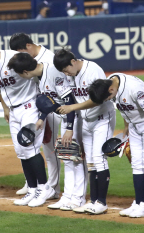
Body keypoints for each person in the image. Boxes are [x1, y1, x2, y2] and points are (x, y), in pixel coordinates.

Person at [58, 72, 144, 218]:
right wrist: (126, 126)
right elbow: (124, 108)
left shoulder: (134, 88)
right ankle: (138, 203)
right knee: (137, 164)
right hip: (134, 126)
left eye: (107, 98)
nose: (108, 100)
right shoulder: (110, 83)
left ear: (111, 90)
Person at [0, 47, 55, 207]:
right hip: (13, 111)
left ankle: (43, 189)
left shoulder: (13, 59)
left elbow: (36, 72)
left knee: (30, 148)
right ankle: (31, 189)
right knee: (21, 152)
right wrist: (5, 108)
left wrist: (42, 110)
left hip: (30, 106)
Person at [7, 51, 87, 211]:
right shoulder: (40, 75)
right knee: (68, 159)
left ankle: (78, 198)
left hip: (75, 118)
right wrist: (42, 118)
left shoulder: (52, 73)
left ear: (25, 72)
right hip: (65, 117)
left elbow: (69, 100)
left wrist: (69, 129)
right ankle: (68, 197)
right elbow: (48, 100)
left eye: (19, 74)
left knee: (76, 160)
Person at [53, 49, 116, 215]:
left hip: (102, 119)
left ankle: (101, 202)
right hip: (86, 121)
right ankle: (93, 201)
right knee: (90, 162)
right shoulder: (71, 74)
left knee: (99, 159)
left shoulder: (93, 70)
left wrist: (72, 107)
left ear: (73, 61)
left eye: (66, 69)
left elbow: (97, 99)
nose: (66, 73)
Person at [9, 33, 61, 200]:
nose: (19, 56)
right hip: (37, 108)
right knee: (30, 148)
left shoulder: (49, 59)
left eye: (20, 52)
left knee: (49, 148)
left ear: (28, 47)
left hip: (52, 108)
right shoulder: (29, 61)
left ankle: (52, 187)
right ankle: (33, 183)